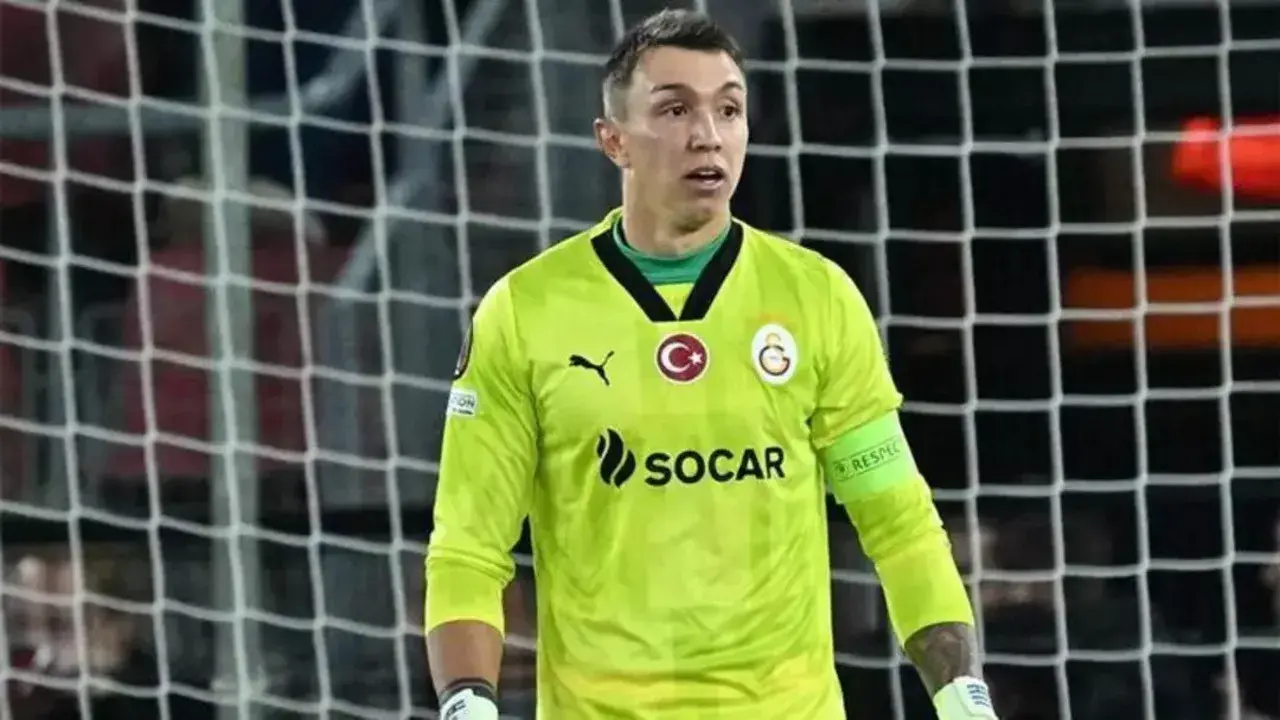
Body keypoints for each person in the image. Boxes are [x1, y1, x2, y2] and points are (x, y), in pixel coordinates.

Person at [423, 9, 993, 719]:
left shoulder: (816, 298)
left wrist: (963, 698)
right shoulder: (524, 313)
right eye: (675, 109)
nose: (708, 135)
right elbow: (468, 549)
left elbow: (897, 521)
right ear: (613, 141)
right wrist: (467, 705)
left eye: (728, 109)